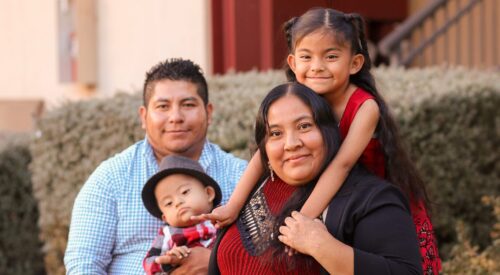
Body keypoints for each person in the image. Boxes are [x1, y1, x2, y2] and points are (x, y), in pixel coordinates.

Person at [199, 7, 440, 274]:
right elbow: (262, 155)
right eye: (306, 57)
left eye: (331, 56)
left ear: (355, 63)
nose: (317, 67)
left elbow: (342, 165)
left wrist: (302, 220)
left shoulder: (364, 106)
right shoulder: (302, 96)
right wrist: (233, 206)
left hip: (357, 184)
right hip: (322, 178)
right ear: (292, 63)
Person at [208, 82, 422, 275]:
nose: (291, 143)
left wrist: (323, 247)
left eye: (304, 126)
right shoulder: (253, 188)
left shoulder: (371, 198)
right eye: (275, 133)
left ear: (328, 132)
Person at [64, 58, 247, 274]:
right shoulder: (111, 178)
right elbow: (84, 264)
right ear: (144, 116)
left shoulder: (239, 178)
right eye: (163, 106)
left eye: (188, 105)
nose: (176, 117)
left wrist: (218, 262)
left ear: (209, 112)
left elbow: (267, 258)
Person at [142, 155, 223, 274]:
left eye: (185, 192)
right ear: (165, 218)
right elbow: (148, 263)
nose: (178, 202)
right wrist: (170, 260)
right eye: (169, 203)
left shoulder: (222, 218)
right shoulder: (167, 234)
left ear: (209, 194)